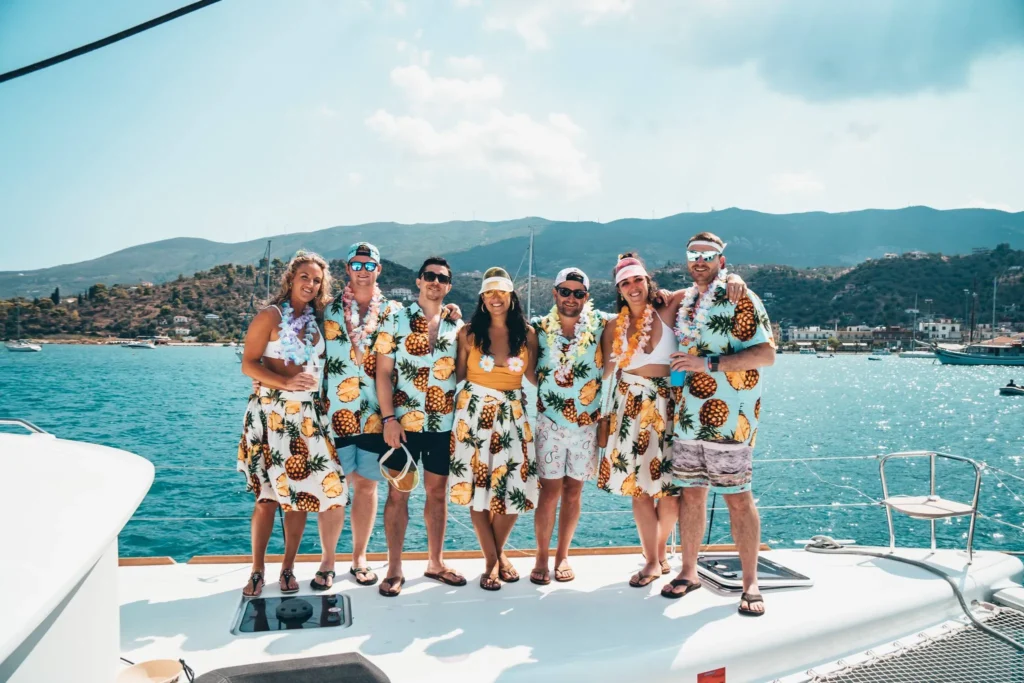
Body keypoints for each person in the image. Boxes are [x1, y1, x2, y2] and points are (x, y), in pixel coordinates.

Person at [663, 231, 776, 617]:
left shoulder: (740, 298)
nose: (699, 260)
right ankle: (689, 571)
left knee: (737, 498)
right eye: (692, 253)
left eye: (707, 255)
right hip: (688, 416)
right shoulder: (688, 301)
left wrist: (706, 365)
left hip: (730, 418)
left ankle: (750, 582)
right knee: (691, 494)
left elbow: (766, 354)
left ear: (721, 260)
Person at [237, 251, 347, 596]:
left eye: (316, 280)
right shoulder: (270, 316)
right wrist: (283, 383)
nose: (310, 285)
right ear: (290, 278)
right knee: (268, 498)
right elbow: (249, 365)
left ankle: (288, 568)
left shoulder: (316, 320)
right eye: (304, 277)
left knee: (300, 496)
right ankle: (257, 570)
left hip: (308, 418)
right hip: (272, 416)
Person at [374, 256, 467, 597]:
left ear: (449, 286)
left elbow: (465, 374)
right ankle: (395, 568)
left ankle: (435, 563)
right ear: (418, 281)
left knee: (437, 494)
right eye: (429, 276)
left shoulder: (458, 327)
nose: (435, 282)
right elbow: (382, 373)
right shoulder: (395, 321)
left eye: (442, 278)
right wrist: (388, 419)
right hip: (403, 425)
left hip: (443, 426)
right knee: (398, 495)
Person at [597, 253, 686, 588]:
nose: (632, 287)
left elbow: (706, 288)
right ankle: (651, 560)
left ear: (648, 281)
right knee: (640, 491)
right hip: (630, 408)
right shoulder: (612, 327)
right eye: (625, 283)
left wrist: (733, 280)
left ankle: (659, 552)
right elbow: (604, 369)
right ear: (619, 290)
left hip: (668, 405)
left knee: (670, 493)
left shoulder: (670, 306)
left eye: (637, 280)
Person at [450, 267, 540, 591]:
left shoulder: (527, 334)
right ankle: (494, 563)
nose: (496, 298)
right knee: (479, 493)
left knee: (512, 489)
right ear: (482, 298)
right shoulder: (468, 333)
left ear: (512, 296)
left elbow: (534, 377)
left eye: (502, 292)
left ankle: (496, 556)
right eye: (490, 292)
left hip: (514, 415)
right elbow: (455, 375)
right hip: (473, 416)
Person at [322, 242, 400, 588]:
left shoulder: (394, 312)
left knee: (367, 488)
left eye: (370, 265)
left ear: (379, 270)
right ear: (348, 268)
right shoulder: (326, 309)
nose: (363, 270)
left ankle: (359, 558)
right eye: (357, 264)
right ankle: (326, 561)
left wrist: (453, 314)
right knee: (332, 489)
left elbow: (429, 324)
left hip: (374, 414)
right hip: (332, 414)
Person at [529, 267, 607, 585]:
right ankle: (541, 558)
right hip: (550, 424)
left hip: (586, 426)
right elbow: (529, 370)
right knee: (549, 494)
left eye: (578, 293)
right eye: (565, 291)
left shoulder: (602, 324)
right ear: (555, 293)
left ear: (586, 297)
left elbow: (641, 310)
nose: (571, 298)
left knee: (573, 493)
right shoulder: (539, 328)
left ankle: (562, 557)